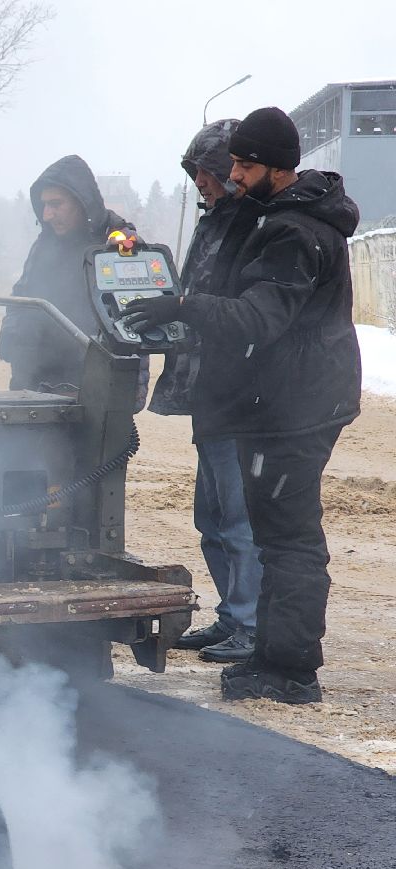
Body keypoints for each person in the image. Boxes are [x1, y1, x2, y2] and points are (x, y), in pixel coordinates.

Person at [126, 107, 361, 705]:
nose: (234, 173)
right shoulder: (278, 216)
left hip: (297, 408)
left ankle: (291, 671)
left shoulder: (295, 232)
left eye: (245, 163)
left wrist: (183, 305)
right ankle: (271, 655)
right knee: (274, 536)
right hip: (282, 402)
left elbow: (259, 317)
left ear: (277, 168)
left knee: (289, 542)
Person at [149, 119, 262, 664]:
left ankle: (249, 621)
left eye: (209, 172)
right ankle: (231, 615)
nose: (201, 182)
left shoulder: (254, 225)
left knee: (238, 519)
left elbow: (243, 314)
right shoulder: (215, 221)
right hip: (207, 391)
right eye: (195, 173)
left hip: (238, 395)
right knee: (210, 517)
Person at [0, 155, 137, 393]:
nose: (47, 215)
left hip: (93, 381)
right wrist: (14, 335)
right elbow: (22, 294)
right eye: (44, 206)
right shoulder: (45, 245)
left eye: (56, 204)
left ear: (82, 202)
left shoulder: (118, 243)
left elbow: (130, 315)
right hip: (36, 376)